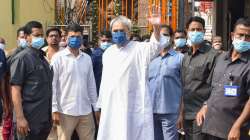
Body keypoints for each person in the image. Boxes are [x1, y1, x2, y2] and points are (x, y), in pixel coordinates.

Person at [96, 15, 161, 140]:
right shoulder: (108, 53)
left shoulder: (140, 48)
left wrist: (156, 27)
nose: (118, 33)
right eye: (115, 31)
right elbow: (105, 82)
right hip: (111, 106)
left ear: (129, 32)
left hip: (133, 106)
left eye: (122, 30)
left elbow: (155, 46)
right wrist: (100, 105)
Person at [196, 17, 250, 140]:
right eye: (240, 35)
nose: (244, 39)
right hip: (210, 126)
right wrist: (205, 106)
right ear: (232, 35)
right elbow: (215, 88)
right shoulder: (221, 58)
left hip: (232, 131)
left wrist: (237, 126)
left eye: (248, 37)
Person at [51, 23, 98, 140]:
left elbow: (91, 85)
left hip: (85, 111)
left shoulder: (86, 59)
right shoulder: (58, 58)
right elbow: (52, 85)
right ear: (66, 38)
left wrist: (96, 108)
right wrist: (54, 109)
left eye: (78, 37)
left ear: (82, 38)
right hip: (65, 111)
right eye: (72, 37)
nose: (75, 39)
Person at [10, 21, 52, 140]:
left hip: (43, 118)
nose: (40, 38)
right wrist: (20, 118)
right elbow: (15, 90)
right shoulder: (22, 59)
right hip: (28, 120)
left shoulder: (42, 58)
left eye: (41, 35)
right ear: (27, 37)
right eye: (36, 35)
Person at [179, 16, 219, 140]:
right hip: (186, 114)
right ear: (187, 32)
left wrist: (206, 106)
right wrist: (181, 112)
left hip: (202, 114)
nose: (195, 32)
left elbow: (216, 86)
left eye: (199, 29)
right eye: (193, 29)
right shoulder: (186, 56)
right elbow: (183, 86)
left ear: (203, 31)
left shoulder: (213, 56)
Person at [148, 25, 184, 140]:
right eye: (159, 35)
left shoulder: (180, 58)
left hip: (171, 113)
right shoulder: (150, 58)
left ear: (172, 37)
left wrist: (181, 113)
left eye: (165, 34)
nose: (162, 38)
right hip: (151, 112)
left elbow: (185, 87)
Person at [91, 31, 112, 95]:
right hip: (98, 88)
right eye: (103, 41)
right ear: (99, 41)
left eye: (109, 41)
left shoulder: (115, 54)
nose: (106, 43)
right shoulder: (95, 55)